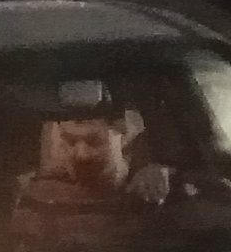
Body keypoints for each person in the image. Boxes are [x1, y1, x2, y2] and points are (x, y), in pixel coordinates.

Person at [10, 93, 171, 252]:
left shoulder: (153, 191)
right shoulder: (40, 197)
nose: (81, 154)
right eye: (70, 141)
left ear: (124, 135)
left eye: (93, 141)